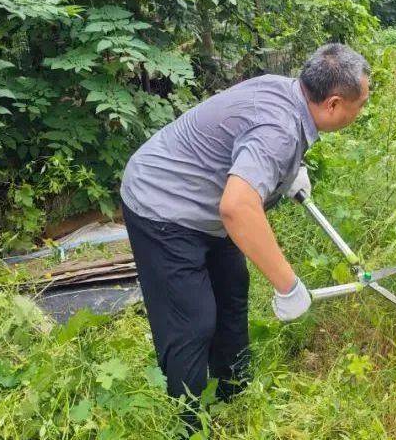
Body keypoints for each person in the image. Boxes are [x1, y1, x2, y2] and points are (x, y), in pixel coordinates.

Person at [119, 43, 371, 420]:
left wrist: (286, 173)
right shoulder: (279, 131)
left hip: (205, 199)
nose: (361, 108)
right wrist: (288, 286)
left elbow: (248, 142)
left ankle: (235, 398)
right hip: (161, 202)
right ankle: (188, 422)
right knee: (193, 322)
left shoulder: (286, 91)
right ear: (333, 103)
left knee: (232, 293)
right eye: (361, 102)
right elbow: (238, 208)